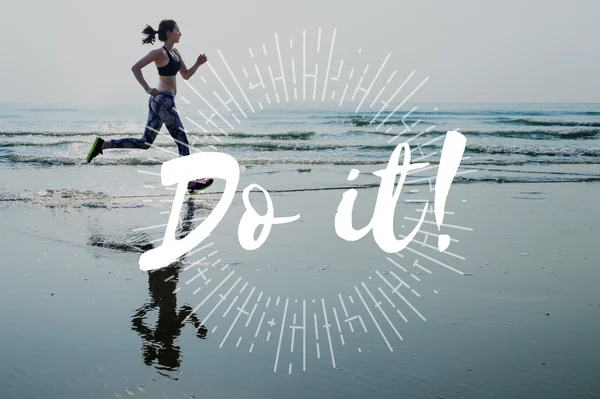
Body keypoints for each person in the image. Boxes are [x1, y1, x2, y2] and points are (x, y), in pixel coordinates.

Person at [86, 18, 212, 194]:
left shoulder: (175, 53)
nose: (180, 33)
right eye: (178, 30)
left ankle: (103, 145)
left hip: (161, 101)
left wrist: (198, 64)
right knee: (182, 140)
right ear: (169, 33)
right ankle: (189, 182)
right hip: (163, 101)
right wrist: (147, 88)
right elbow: (135, 67)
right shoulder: (159, 53)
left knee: (145, 143)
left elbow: (186, 75)